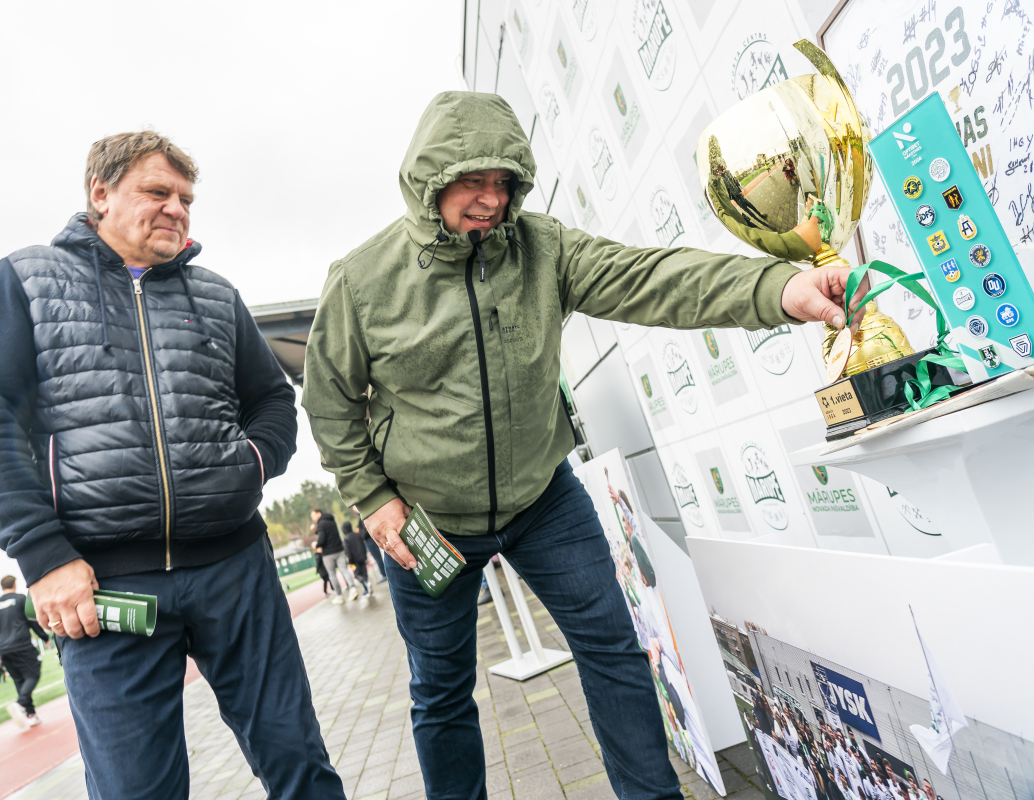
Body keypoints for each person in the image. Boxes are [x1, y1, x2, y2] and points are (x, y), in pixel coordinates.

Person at [302, 91, 858, 800]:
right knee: (439, 693)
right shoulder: (360, 281)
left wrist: (782, 288)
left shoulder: (546, 248)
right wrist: (373, 496)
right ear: (429, 178)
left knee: (613, 652)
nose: (491, 199)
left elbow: (653, 278)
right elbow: (329, 400)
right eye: (472, 181)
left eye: (503, 181)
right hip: (426, 519)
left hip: (543, 498)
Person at [0, 131, 341, 800]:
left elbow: (274, 401)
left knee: (300, 765)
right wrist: (43, 555)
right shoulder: (28, 279)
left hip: (235, 571)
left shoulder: (216, 295)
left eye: (186, 198)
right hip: (102, 590)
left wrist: (249, 464)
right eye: (157, 192)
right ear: (99, 194)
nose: (177, 209)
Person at [0, 576, 49, 727]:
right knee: (33, 674)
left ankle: (31, 714)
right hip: (21, 646)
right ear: (14, 585)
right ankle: (20, 704)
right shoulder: (20, 599)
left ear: (2, 587)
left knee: (19, 680)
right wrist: (44, 636)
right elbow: (32, 620)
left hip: (3, 650)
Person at [311, 508, 357, 604]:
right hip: (339, 550)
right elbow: (327, 533)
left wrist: (316, 545)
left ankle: (339, 596)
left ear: (319, 514)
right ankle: (353, 589)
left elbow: (322, 539)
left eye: (314, 516)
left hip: (328, 553)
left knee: (332, 575)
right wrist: (316, 530)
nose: (313, 519)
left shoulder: (320, 524)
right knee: (344, 570)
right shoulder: (331, 520)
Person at [341, 520, 371, 597]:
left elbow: (348, 552)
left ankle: (365, 583)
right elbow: (363, 546)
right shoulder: (358, 535)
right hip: (363, 557)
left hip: (355, 560)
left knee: (357, 575)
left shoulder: (346, 539)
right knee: (364, 573)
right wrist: (365, 556)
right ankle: (367, 589)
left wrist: (350, 562)